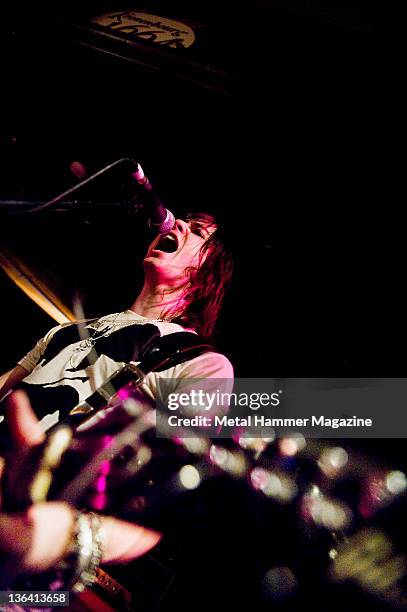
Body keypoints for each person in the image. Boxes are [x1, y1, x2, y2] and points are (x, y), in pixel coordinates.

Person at [0, 212, 234, 592]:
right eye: (181, 220)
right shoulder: (67, 330)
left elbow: (162, 506)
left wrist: (61, 540)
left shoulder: (201, 363)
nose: (174, 224)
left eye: (196, 231)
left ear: (208, 273)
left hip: (26, 549)